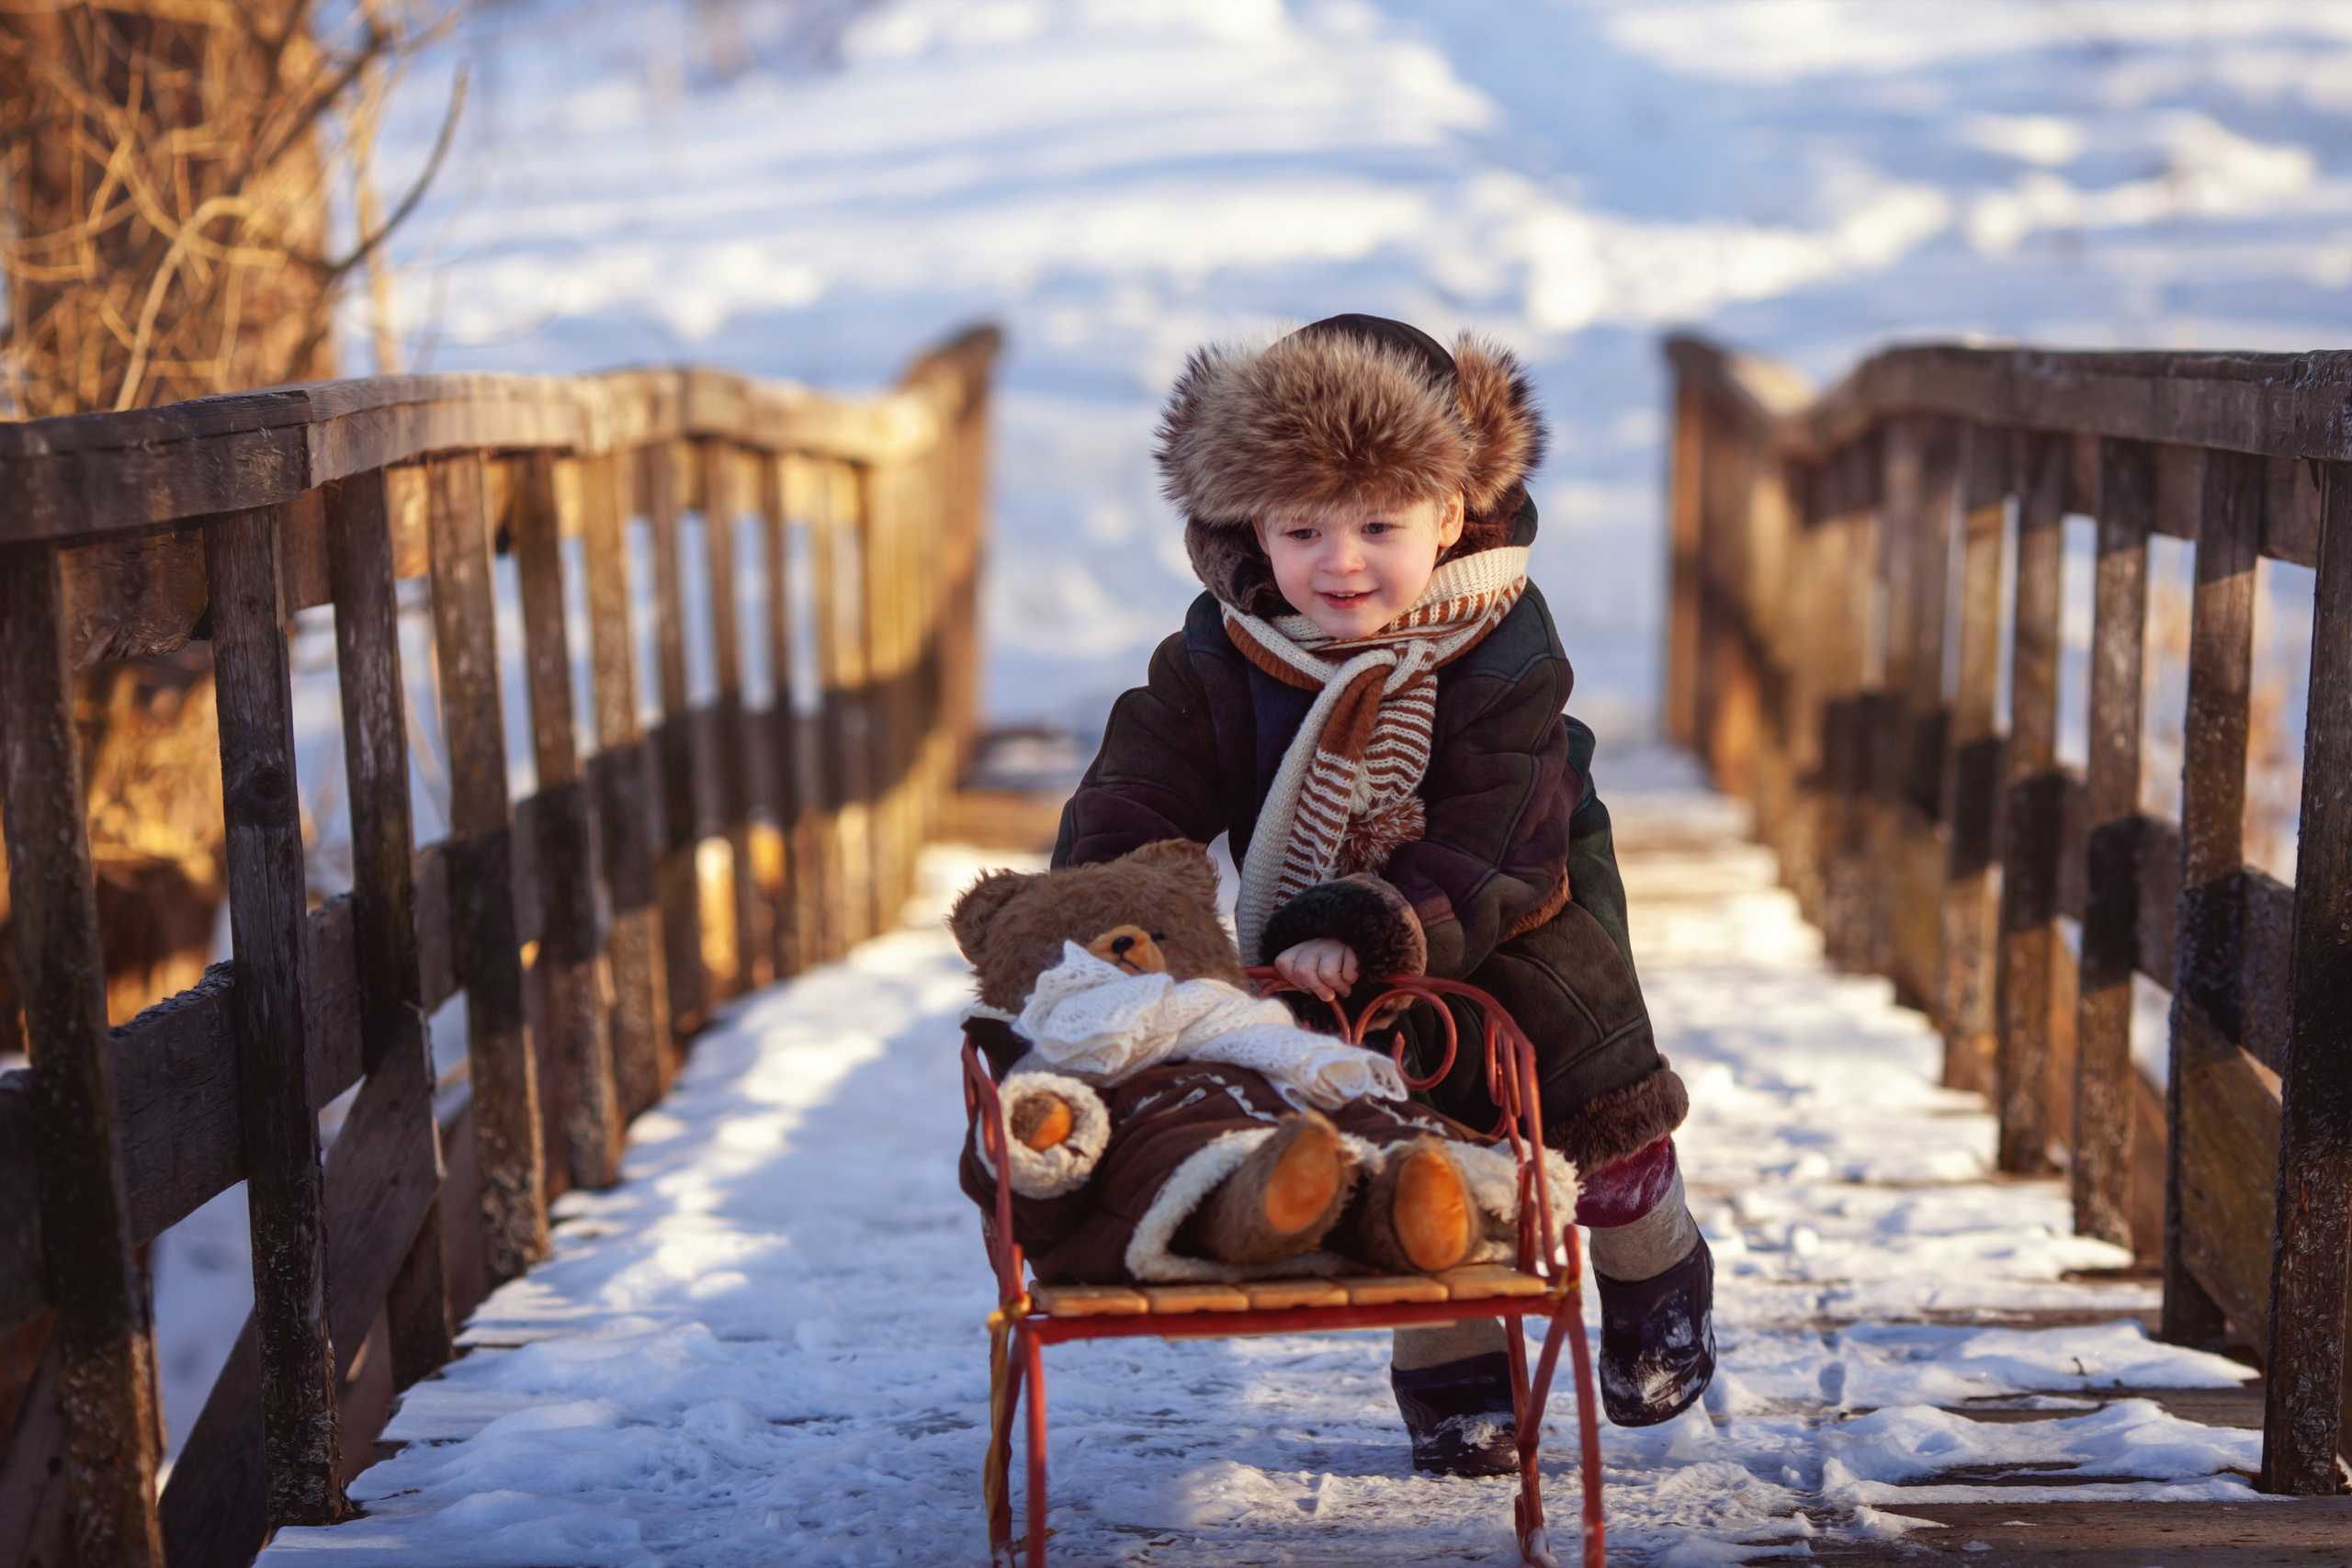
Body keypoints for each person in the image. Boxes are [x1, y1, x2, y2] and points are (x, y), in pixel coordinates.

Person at [1051, 314, 1715, 1472]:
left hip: (1521, 921)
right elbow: (1141, 780)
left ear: (1450, 513)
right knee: (1409, 1148)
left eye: (1378, 524)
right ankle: (1454, 1363)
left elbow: (1500, 827)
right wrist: (1113, 911)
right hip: (1326, 951)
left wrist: (1370, 924)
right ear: (1250, 526)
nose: (1339, 562)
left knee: (1589, 1135)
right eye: (1302, 528)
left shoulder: (1502, 641)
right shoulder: (1228, 646)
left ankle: (1654, 1254)